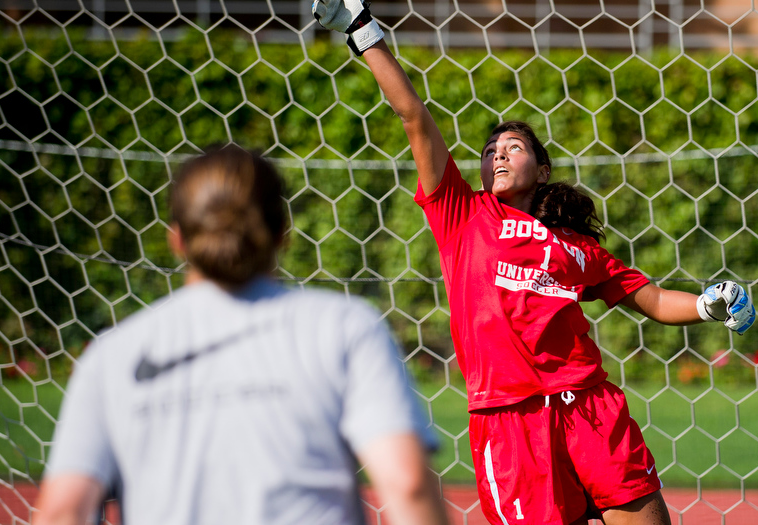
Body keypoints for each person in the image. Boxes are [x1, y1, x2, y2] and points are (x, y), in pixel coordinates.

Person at [311, 0, 757, 525]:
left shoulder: (575, 247)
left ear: (542, 170)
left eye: (514, 146)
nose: (497, 152)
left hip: (591, 408)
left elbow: (647, 298)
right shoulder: (461, 214)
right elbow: (414, 118)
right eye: (491, 148)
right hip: (510, 421)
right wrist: (363, 31)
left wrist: (706, 305)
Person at [33, 145, 450, 525]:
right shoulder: (345, 326)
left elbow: (63, 511)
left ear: (176, 237)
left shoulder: (114, 353)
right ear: (282, 233)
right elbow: (408, 485)